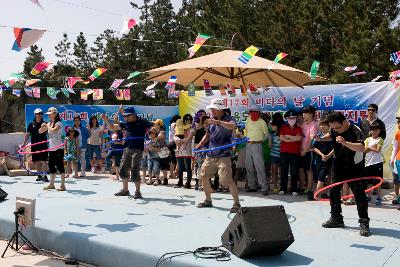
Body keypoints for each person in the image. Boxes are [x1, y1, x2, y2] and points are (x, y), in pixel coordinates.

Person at [320, 111, 370, 236]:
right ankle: (336, 218)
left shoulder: (355, 129)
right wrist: (320, 138)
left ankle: (364, 222)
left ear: (344, 121)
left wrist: (345, 143)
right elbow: (330, 135)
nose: (336, 130)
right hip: (338, 166)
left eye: (338, 127)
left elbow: (361, 148)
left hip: (354, 167)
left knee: (359, 194)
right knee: (334, 192)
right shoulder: (334, 129)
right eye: (333, 128)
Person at [195, 98, 241, 213]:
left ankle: (237, 204)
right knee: (204, 176)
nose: (212, 111)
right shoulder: (211, 120)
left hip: (224, 154)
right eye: (211, 109)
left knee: (226, 180)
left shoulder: (229, 118)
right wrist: (200, 144)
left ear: (220, 108)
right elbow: (208, 134)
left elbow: (233, 127)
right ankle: (208, 200)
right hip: (211, 154)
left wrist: (219, 122)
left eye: (213, 108)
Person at [102, 106, 152, 198]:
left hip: (138, 149)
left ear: (133, 115)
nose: (125, 117)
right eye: (125, 116)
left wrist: (151, 134)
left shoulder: (142, 121)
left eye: (127, 116)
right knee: (124, 168)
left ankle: (138, 192)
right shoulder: (126, 124)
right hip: (126, 149)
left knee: (135, 168)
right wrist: (106, 120)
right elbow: (112, 128)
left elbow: (153, 128)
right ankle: (125, 190)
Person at [244, 105, 269, 195]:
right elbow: (246, 131)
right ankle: (252, 186)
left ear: (259, 113)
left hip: (257, 145)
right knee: (249, 166)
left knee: (259, 167)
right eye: (252, 111)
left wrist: (259, 140)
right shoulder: (247, 120)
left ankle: (264, 187)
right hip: (248, 144)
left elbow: (266, 135)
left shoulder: (262, 122)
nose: (253, 113)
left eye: (255, 111)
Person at [40, 107, 66, 191]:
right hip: (51, 148)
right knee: (51, 165)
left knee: (59, 165)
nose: (49, 116)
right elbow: (40, 132)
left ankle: (62, 185)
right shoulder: (49, 123)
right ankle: (51, 184)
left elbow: (54, 131)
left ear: (55, 114)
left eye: (50, 114)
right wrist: (42, 126)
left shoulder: (59, 123)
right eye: (48, 115)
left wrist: (47, 126)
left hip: (58, 148)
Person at [279, 110, 302, 195]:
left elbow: (299, 138)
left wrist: (288, 136)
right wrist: (293, 138)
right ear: (287, 118)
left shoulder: (299, 128)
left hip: (295, 153)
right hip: (284, 152)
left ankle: (294, 189)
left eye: (293, 118)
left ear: (296, 119)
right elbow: (281, 138)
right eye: (290, 118)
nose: (292, 119)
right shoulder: (283, 127)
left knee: (294, 171)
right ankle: (283, 189)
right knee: (283, 171)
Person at [23, 108, 49, 182]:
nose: (40, 115)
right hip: (34, 145)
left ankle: (45, 175)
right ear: (35, 114)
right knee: (36, 161)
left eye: (41, 113)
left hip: (43, 144)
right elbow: (27, 135)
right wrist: (24, 144)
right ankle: (39, 175)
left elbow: (49, 134)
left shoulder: (45, 123)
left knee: (44, 161)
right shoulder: (31, 124)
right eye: (38, 113)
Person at [311, 118, 334, 200]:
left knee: (322, 176)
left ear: (328, 126)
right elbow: (313, 147)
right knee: (317, 177)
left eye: (324, 125)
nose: (322, 126)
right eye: (321, 125)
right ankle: (323, 193)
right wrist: (322, 155)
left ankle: (316, 195)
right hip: (318, 159)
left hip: (328, 160)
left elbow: (335, 148)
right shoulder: (318, 135)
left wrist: (328, 156)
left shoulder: (332, 135)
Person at [300, 106, 319, 199]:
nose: (303, 114)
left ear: (311, 113)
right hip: (302, 150)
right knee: (304, 170)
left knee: (309, 171)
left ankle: (309, 189)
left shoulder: (314, 125)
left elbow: (311, 140)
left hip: (309, 151)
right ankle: (306, 187)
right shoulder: (303, 124)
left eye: (305, 113)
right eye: (303, 113)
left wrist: (305, 150)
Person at [364, 122, 384, 206]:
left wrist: (369, 147)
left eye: (376, 130)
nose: (374, 131)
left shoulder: (380, 139)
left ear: (379, 131)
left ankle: (379, 197)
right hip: (368, 163)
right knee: (368, 182)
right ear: (370, 131)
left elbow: (378, 150)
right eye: (372, 130)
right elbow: (365, 150)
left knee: (378, 181)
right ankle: (368, 196)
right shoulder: (367, 140)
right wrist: (371, 147)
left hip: (377, 162)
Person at [174, 114, 195, 188]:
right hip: (179, 150)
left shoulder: (192, 129)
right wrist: (177, 140)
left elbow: (187, 140)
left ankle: (188, 183)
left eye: (189, 119)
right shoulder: (180, 128)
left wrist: (179, 140)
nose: (188, 121)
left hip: (187, 150)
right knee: (180, 167)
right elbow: (175, 138)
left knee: (188, 167)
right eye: (186, 119)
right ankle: (180, 182)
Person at [270, 114, 284, 193]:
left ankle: (280, 186)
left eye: (273, 125)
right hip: (274, 155)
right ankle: (275, 186)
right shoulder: (272, 133)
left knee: (279, 171)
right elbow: (270, 145)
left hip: (281, 154)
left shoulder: (283, 131)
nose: (272, 126)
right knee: (275, 171)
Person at [153, 119, 170, 185]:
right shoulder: (155, 132)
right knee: (156, 166)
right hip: (156, 150)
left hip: (162, 151)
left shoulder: (162, 132)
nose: (154, 125)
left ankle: (165, 179)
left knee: (163, 166)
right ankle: (158, 179)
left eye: (155, 124)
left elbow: (159, 137)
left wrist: (153, 139)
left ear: (159, 125)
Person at [390, 116, 400, 205]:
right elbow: (395, 148)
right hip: (398, 161)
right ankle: (397, 197)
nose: (399, 124)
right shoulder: (397, 134)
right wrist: (392, 159)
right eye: (398, 122)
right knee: (396, 180)